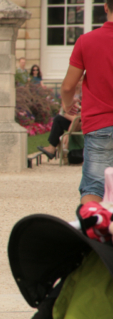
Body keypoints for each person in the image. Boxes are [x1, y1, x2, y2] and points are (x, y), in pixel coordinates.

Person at [61, 0, 113, 205]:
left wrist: (67, 105)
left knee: (94, 187)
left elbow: (67, 87)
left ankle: (93, 234)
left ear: (106, 7)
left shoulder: (87, 41)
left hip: (99, 124)